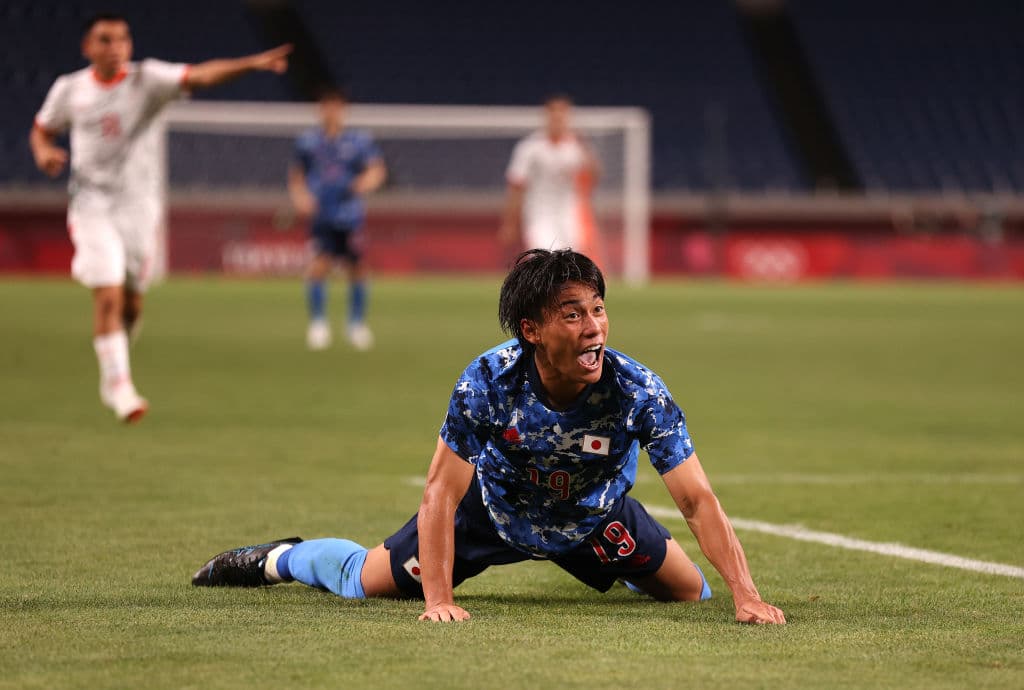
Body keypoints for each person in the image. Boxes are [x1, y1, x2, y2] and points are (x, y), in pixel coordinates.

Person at [193, 249, 786, 626]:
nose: (594, 328)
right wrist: (439, 601)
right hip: (489, 512)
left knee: (693, 595)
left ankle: (615, 564)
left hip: (596, 517)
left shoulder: (639, 391)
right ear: (532, 329)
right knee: (362, 583)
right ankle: (275, 559)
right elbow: (440, 494)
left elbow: (696, 498)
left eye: (599, 310)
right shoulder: (486, 381)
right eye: (573, 314)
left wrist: (748, 593)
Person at [29, 12, 291, 423]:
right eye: (104, 40)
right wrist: (43, 151)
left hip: (138, 209)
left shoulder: (147, 80)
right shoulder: (70, 89)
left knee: (132, 303)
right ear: (88, 47)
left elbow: (200, 76)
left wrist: (250, 64)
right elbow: (42, 129)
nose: (114, 47)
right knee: (109, 292)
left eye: (121, 39)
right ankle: (120, 388)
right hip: (92, 203)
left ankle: (115, 355)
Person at [288, 86, 386, 351]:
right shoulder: (308, 142)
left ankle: (356, 324)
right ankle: (318, 324)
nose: (331, 112)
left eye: (336, 107)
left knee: (357, 267)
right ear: (320, 110)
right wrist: (300, 197)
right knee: (319, 265)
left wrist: (365, 182)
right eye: (326, 106)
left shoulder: (358, 141)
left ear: (343, 110)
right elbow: (297, 175)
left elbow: (377, 170)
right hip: (322, 213)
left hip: (349, 214)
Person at [499, 95, 601, 257]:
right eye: (554, 115)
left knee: (572, 261)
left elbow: (594, 176)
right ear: (546, 117)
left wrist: (586, 146)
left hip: (569, 213)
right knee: (544, 258)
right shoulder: (530, 147)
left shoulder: (576, 147)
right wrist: (510, 222)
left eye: (563, 115)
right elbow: (516, 185)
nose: (558, 120)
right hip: (539, 212)